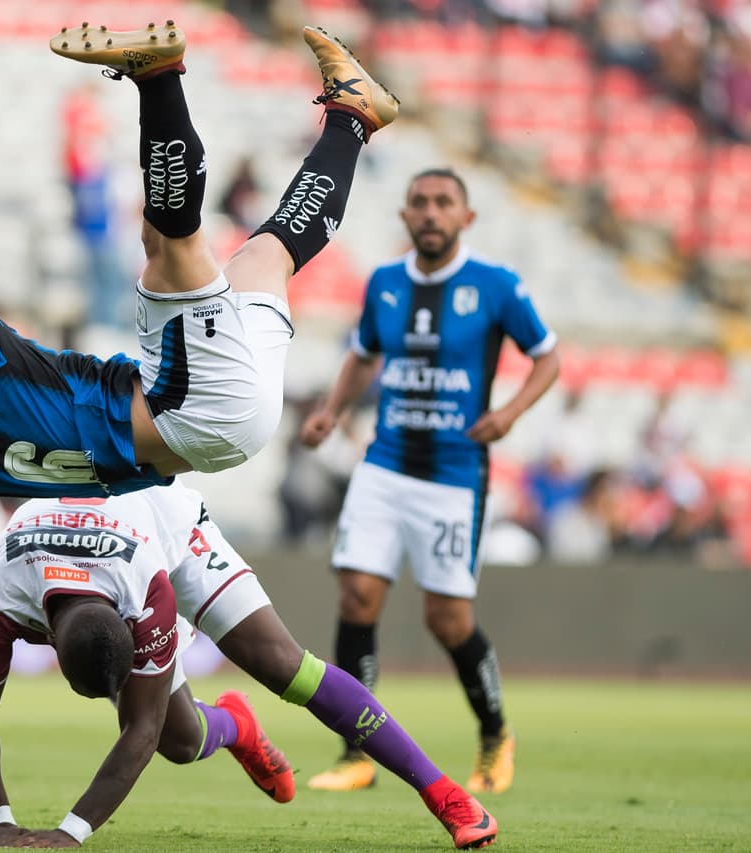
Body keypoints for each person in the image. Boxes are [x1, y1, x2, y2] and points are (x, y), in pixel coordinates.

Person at [0, 19, 401, 764]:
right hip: (191, 404)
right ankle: (159, 78)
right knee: (166, 243)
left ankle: (353, 118)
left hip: (220, 424)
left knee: (268, 251)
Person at [0, 483, 498, 849]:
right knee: (180, 742)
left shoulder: (148, 591)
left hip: (170, 530)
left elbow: (139, 728)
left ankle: (448, 797)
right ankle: (237, 725)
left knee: (286, 666)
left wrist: (70, 832)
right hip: (102, 542)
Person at [299, 167, 561, 795]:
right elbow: (363, 354)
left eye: (444, 203)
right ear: (404, 215)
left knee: (447, 621)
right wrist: (332, 410)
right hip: (384, 465)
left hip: (453, 477)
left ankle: (495, 732)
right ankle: (357, 753)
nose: (431, 212)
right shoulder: (385, 283)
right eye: (419, 202)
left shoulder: (495, 286)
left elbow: (547, 358)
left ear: (466, 218)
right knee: (356, 598)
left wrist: (509, 413)